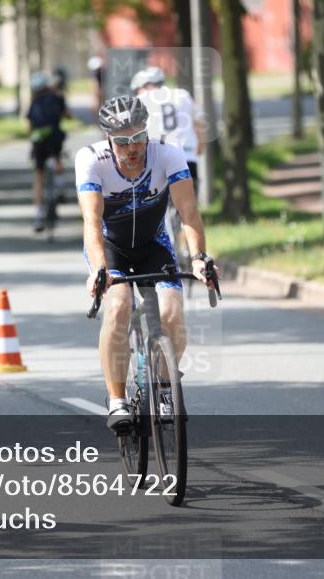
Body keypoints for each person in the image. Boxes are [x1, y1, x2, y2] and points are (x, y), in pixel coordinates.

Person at [76, 95, 218, 432]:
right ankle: (117, 400)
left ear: (147, 132)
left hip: (155, 243)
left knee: (171, 311)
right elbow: (92, 223)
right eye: (122, 141)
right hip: (112, 248)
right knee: (119, 304)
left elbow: (188, 212)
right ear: (109, 139)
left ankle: (165, 386)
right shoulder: (91, 159)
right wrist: (99, 268)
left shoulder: (167, 153)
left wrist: (198, 258)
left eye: (138, 137)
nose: (131, 148)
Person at [130, 66, 206, 194]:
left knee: (158, 206)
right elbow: (199, 122)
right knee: (188, 207)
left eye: (138, 89)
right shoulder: (182, 95)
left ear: (147, 85)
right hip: (187, 156)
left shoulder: (141, 99)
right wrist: (201, 145)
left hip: (158, 158)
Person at [28, 71, 69, 231]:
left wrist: (32, 141)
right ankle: (60, 189)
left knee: (38, 175)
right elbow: (67, 115)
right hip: (55, 137)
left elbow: (30, 126)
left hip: (39, 140)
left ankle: (38, 216)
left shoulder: (34, 102)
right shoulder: (58, 98)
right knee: (58, 158)